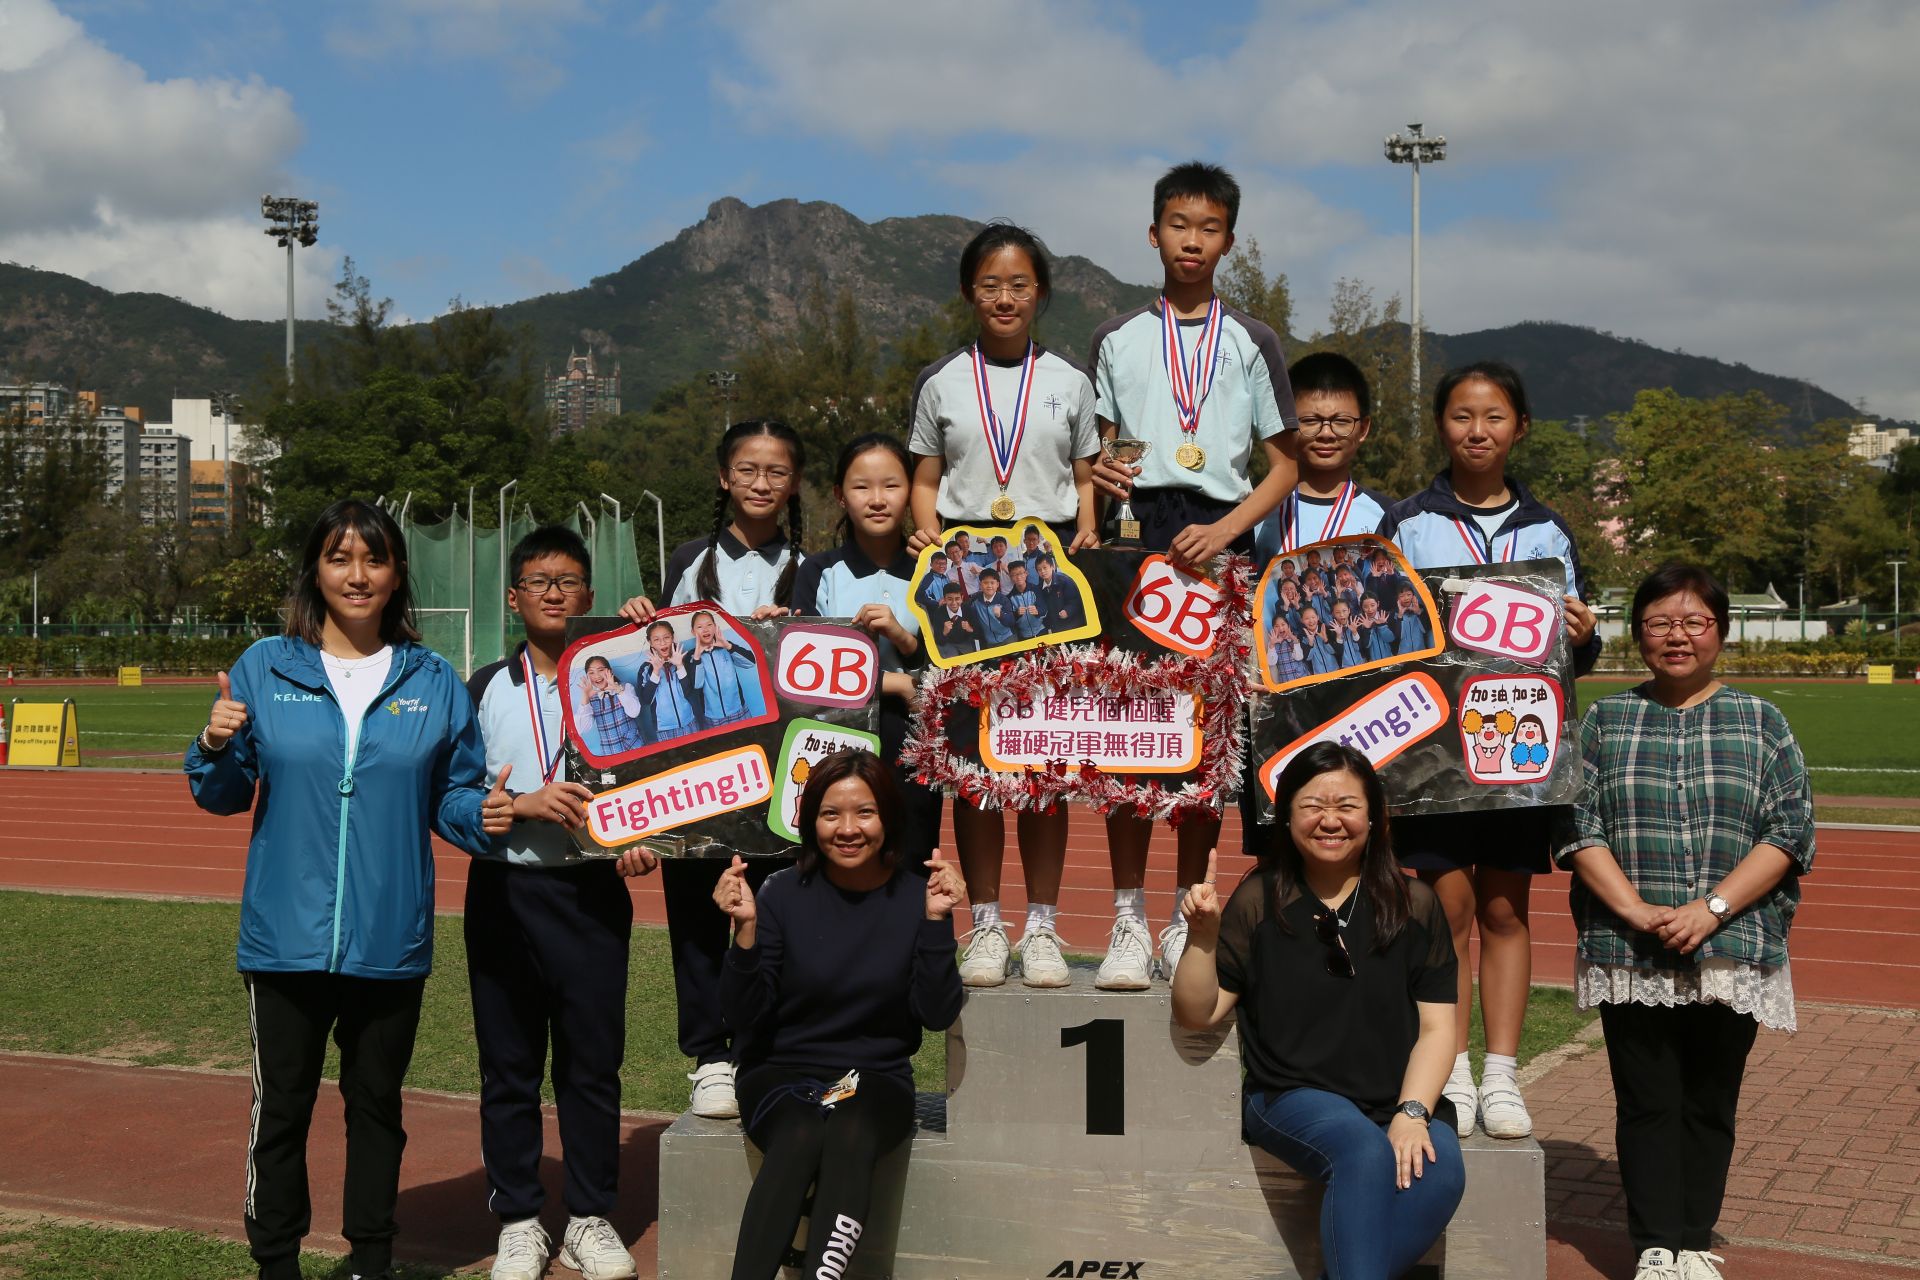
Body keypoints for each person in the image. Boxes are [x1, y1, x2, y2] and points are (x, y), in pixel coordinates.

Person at [185, 498, 512, 1280]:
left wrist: (484, 814)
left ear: (397, 574)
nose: (357, 575)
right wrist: (214, 742)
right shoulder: (266, 666)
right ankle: (276, 1262)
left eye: (374, 559)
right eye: (339, 558)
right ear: (316, 571)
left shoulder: (433, 680)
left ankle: (371, 1258)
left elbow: (453, 796)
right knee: (282, 1110)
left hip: (389, 936)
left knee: (377, 1109)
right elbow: (223, 793)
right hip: (284, 937)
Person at [1556, 564, 1814, 1280]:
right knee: (1645, 1101)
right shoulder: (1605, 721)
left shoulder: (1763, 721)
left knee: (1709, 1099)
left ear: (1719, 632)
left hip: (1732, 943)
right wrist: (1636, 910)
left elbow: (1790, 830)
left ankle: (1694, 1238)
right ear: (1638, 635)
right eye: (1660, 623)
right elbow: (1576, 825)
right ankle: (1654, 1246)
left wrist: (1713, 909)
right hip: (1628, 948)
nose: (1677, 636)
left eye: (1694, 622)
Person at [1088, 160, 1301, 989]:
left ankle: (1185, 914)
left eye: (1209, 228)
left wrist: (1225, 531)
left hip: (1218, 540)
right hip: (1138, 540)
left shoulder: (1254, 339)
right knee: (1129, 731)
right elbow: (1102, 452)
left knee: (1201, 742)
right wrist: (1099, 496)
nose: (1192, 240)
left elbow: (1283, 467)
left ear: (1229, 242)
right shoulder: (1116, 337)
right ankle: (1126, 919)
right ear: (1154, 234)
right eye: (1179, 225)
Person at [1376, 361, 1601, 1140]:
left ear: (1520, 427)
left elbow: (1573, 654)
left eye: (1494, 416)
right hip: (1432, 757)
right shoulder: (1406, 522)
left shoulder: (1549, 531)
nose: (1478, 431)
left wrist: (1585, 635)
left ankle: (1501, 1072)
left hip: (1518, 754)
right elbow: (1381, 637)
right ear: (1442, 425)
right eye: (1463, 416)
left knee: (1506, 907)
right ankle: (1452, 1069)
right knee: (1447, 908)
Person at [1172, 743, 1463, 1280]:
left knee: (1440, 1171)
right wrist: (1203, 938)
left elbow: (1438, 1028)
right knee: (1362, 1151)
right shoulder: (1260, 900)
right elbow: (1198, 1012)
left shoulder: (1415, 904)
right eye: (1312, 806)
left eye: (1347, 806)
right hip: (1290, 1094)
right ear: (1286, 817)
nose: (1330, 820)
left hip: (1395, 1098)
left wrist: (1412, 1112)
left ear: (1374, 818)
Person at [907, 221, 1100, 990]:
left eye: (1019, 285)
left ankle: (1042, 926)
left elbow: (1085, 477)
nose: (1006, 298)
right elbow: (925, 479)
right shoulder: (942, 381)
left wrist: (1088, 530)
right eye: (991, 285)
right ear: (969, 293)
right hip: (967, 582)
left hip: (1044, 584)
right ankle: (986, 923)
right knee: (975, 762)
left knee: (1043, 760)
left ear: (1040, 293)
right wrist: (929, 537)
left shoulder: (1071, 381)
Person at [465, 526, 653, 1280]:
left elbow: (658, 772)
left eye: (567, 580)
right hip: (505, 890)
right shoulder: (483, 688)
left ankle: (588, 1216)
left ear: (588, 596)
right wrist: (515, 805)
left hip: (592, 892)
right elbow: (455, 793)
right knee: (509, 1064)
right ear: (514, 597)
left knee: (591, 1063)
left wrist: (647, 837)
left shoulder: (616, 672)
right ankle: (518, 1218)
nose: (553, 592)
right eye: (538, 581)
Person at [717, 749, 966, 1280]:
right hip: (781, 1074)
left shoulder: (917, 898)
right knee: (802, 1131)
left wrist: (936, 924)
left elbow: (936, 1012)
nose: (848, 829)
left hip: (873, 1080)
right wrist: (745, 933)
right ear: (811, 822)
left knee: (850, 1129)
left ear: (888, 819)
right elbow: (742, 1014)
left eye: (864, 813)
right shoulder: (780, 893)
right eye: (831, 814)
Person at [638, 419, 809, 1120]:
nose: (761, 483)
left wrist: (789, 627)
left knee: (778, 910)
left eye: (776, 471)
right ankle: (709, 1055)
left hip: (781, 768)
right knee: (695, 908)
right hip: (699, 771)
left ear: (794, 483)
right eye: (747, 469)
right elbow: (656, 650)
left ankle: (765, 1046)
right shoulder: (689, 559)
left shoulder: (810, 564)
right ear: (723, 477)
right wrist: (640, 620)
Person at [791, 433, 944, 867]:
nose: (877, 499)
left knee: (910, 862)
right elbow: (804, 672)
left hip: (910, 741)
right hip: (832, 740)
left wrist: (903, 638)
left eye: (892, 485)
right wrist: (896, 684)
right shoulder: (818, 571)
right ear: (840, 495)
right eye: (861, 487)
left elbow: (948, 670)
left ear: (912, 492)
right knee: (830, 864)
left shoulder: (936, 572)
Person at [1250, 352, 1394, 565]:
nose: (1326, 433)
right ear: (1287, 423)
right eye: (1310, 420)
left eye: (1341, 421)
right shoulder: (1252, 512)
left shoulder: (1390, 516)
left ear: (1363, 429)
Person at [685, 609, 763, 728]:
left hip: (738, 709)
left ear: (715, 627)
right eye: (699, 627)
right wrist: (697, 657)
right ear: (693, 631)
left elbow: (750, 662)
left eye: (709, 625)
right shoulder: (691, 656)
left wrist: (728, 646)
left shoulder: (726, 646)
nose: (705, 629)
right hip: (713, 716)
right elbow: (697, 684)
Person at [639, 620, 701, 742]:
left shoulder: (683, 660)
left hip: (689, 721)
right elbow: (646, 700)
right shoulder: (646, 669)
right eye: (656, 639)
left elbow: (689, 692)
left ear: (672, 637)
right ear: (650, 642)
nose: (662, 643)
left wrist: (680, 666)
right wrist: (656, 671)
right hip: (664, 728)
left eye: (666, 637)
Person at [575, 655, 647, 754]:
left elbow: (634, 712)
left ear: (610, 671)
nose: (597, 676)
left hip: (635, 748)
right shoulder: (590, 698)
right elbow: (581, 728)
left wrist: (618, 690)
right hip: (611, 754)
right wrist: (585, 696)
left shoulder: (625, 687)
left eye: (600, 670)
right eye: (591, 672)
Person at [932, 580, 977, 657]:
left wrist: (970, 629)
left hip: (965, 642)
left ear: (962, 598)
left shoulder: (968, 609)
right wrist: (944, 632)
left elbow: (978, 633)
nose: (954, 603)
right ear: (944, 599)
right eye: (950, 599)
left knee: (973, 659)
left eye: (957, 599)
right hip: (946, 643)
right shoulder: (939, 613)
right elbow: (937, 640)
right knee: (951, 661)